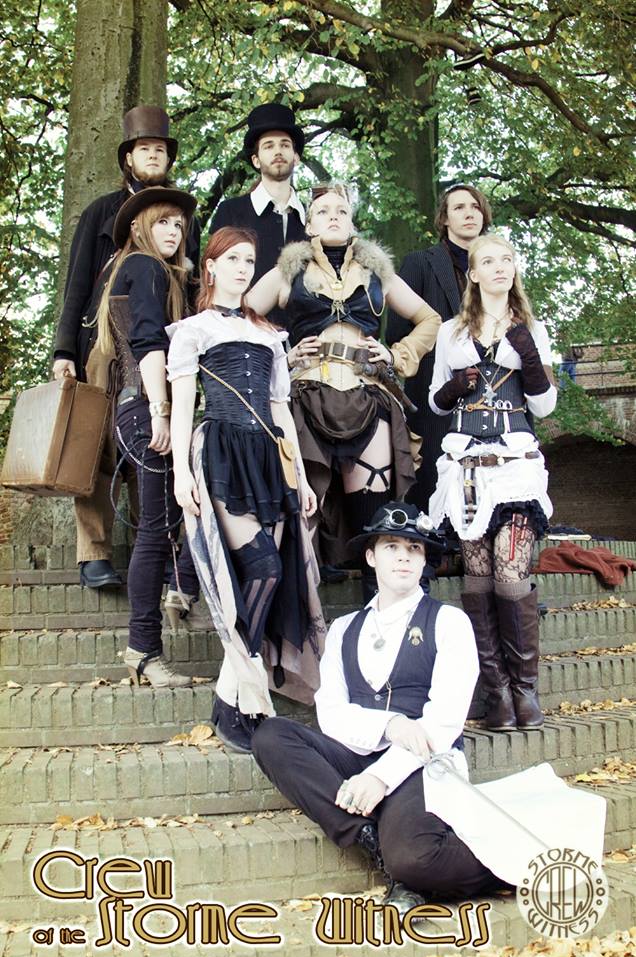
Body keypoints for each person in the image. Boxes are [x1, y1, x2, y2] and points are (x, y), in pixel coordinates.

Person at [252, 501, 501, 914]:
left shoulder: (449, 622)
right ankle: (371, 839)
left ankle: (507, 864)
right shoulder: (344, 629)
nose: (404, 557)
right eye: (391, 547)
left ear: (424, 561)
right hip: (356, 752)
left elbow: (443, 723)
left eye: (414, 549)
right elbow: (331, 712)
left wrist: (380, 778)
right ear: (371, 557)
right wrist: (391, 724)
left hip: (422, 762)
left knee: (415, 860)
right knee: (271, 736)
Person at [167, 226, 326, 754]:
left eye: (249, 261)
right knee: (263, 568)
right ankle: (237, 697)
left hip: (268, 458)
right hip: (223, 454)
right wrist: (181, 474)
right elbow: (184, 406)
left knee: (271, 575)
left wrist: (301, 477)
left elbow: (281, 411)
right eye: (232, 259)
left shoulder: (271, 335)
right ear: (210, 267)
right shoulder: (192, 330)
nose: (242, 268)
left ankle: (230, 700)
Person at [246, 184, 441, 596]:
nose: (333, 216)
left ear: (352, 222)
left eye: (341, 210)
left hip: (367, 396)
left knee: (374, 511)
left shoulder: (379, 274)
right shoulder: (287, 272)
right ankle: (307, 622)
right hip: (305, 398)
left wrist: (396, 354)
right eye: (322, 211)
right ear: (308, 224)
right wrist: (283, 356)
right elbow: (239, 318)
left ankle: (380, 613)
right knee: (303, 506)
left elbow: (430, 319)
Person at [52, 105, 201, 589]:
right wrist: (64, 350)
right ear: (129, 159)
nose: (153, 155)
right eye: (144, 148)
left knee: (157, 441)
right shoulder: (101, 211)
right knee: (94, 445)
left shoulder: (183, 216)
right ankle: (93, 552)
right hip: (103, 344)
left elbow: (192, 284)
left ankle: (151, 547)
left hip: (162, 343)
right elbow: (77, 284)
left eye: (160, 149)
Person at [428, 234, 557, 731]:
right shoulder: (451, 332)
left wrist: (529, 356)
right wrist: (453, 387)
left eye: (507, 259)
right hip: (466, 466)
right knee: (477, 575)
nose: (500, 267)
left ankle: (526, 690)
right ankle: (497, 692)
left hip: (516, 464)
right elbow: (436, 402)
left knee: (510, 570)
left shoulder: (531, 328)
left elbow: (545, 405)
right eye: (489, 260)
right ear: (474, 273)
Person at [95, 186, 198, 687]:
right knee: (156, 528)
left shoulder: (138, 271)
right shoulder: (146, 266)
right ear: (138, 227)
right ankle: (143, 649)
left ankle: (181, 588)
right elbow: (148, 344)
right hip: (147, 407)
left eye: (178, 225)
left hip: (137, 406)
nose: (173, 232)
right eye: (163, 222)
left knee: (168, 519)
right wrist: (161, 411)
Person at [386, 184, 492, 512]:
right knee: (434, 488)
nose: (469, 213)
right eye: (459, 207)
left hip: (493, 395)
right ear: (444, 219)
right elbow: (397, 332)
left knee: (491, 490)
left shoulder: (499, 266)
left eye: (475, 206)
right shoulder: (419, 263)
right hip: (433, 394)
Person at [211, 102, 306, 292]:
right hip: (243, 311)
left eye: (285, 145)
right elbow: (214, 280)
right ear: (256, 160)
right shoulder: (230, 211)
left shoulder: (313, 216)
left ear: (296, 157)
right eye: (269, 146)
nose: (278, 151)